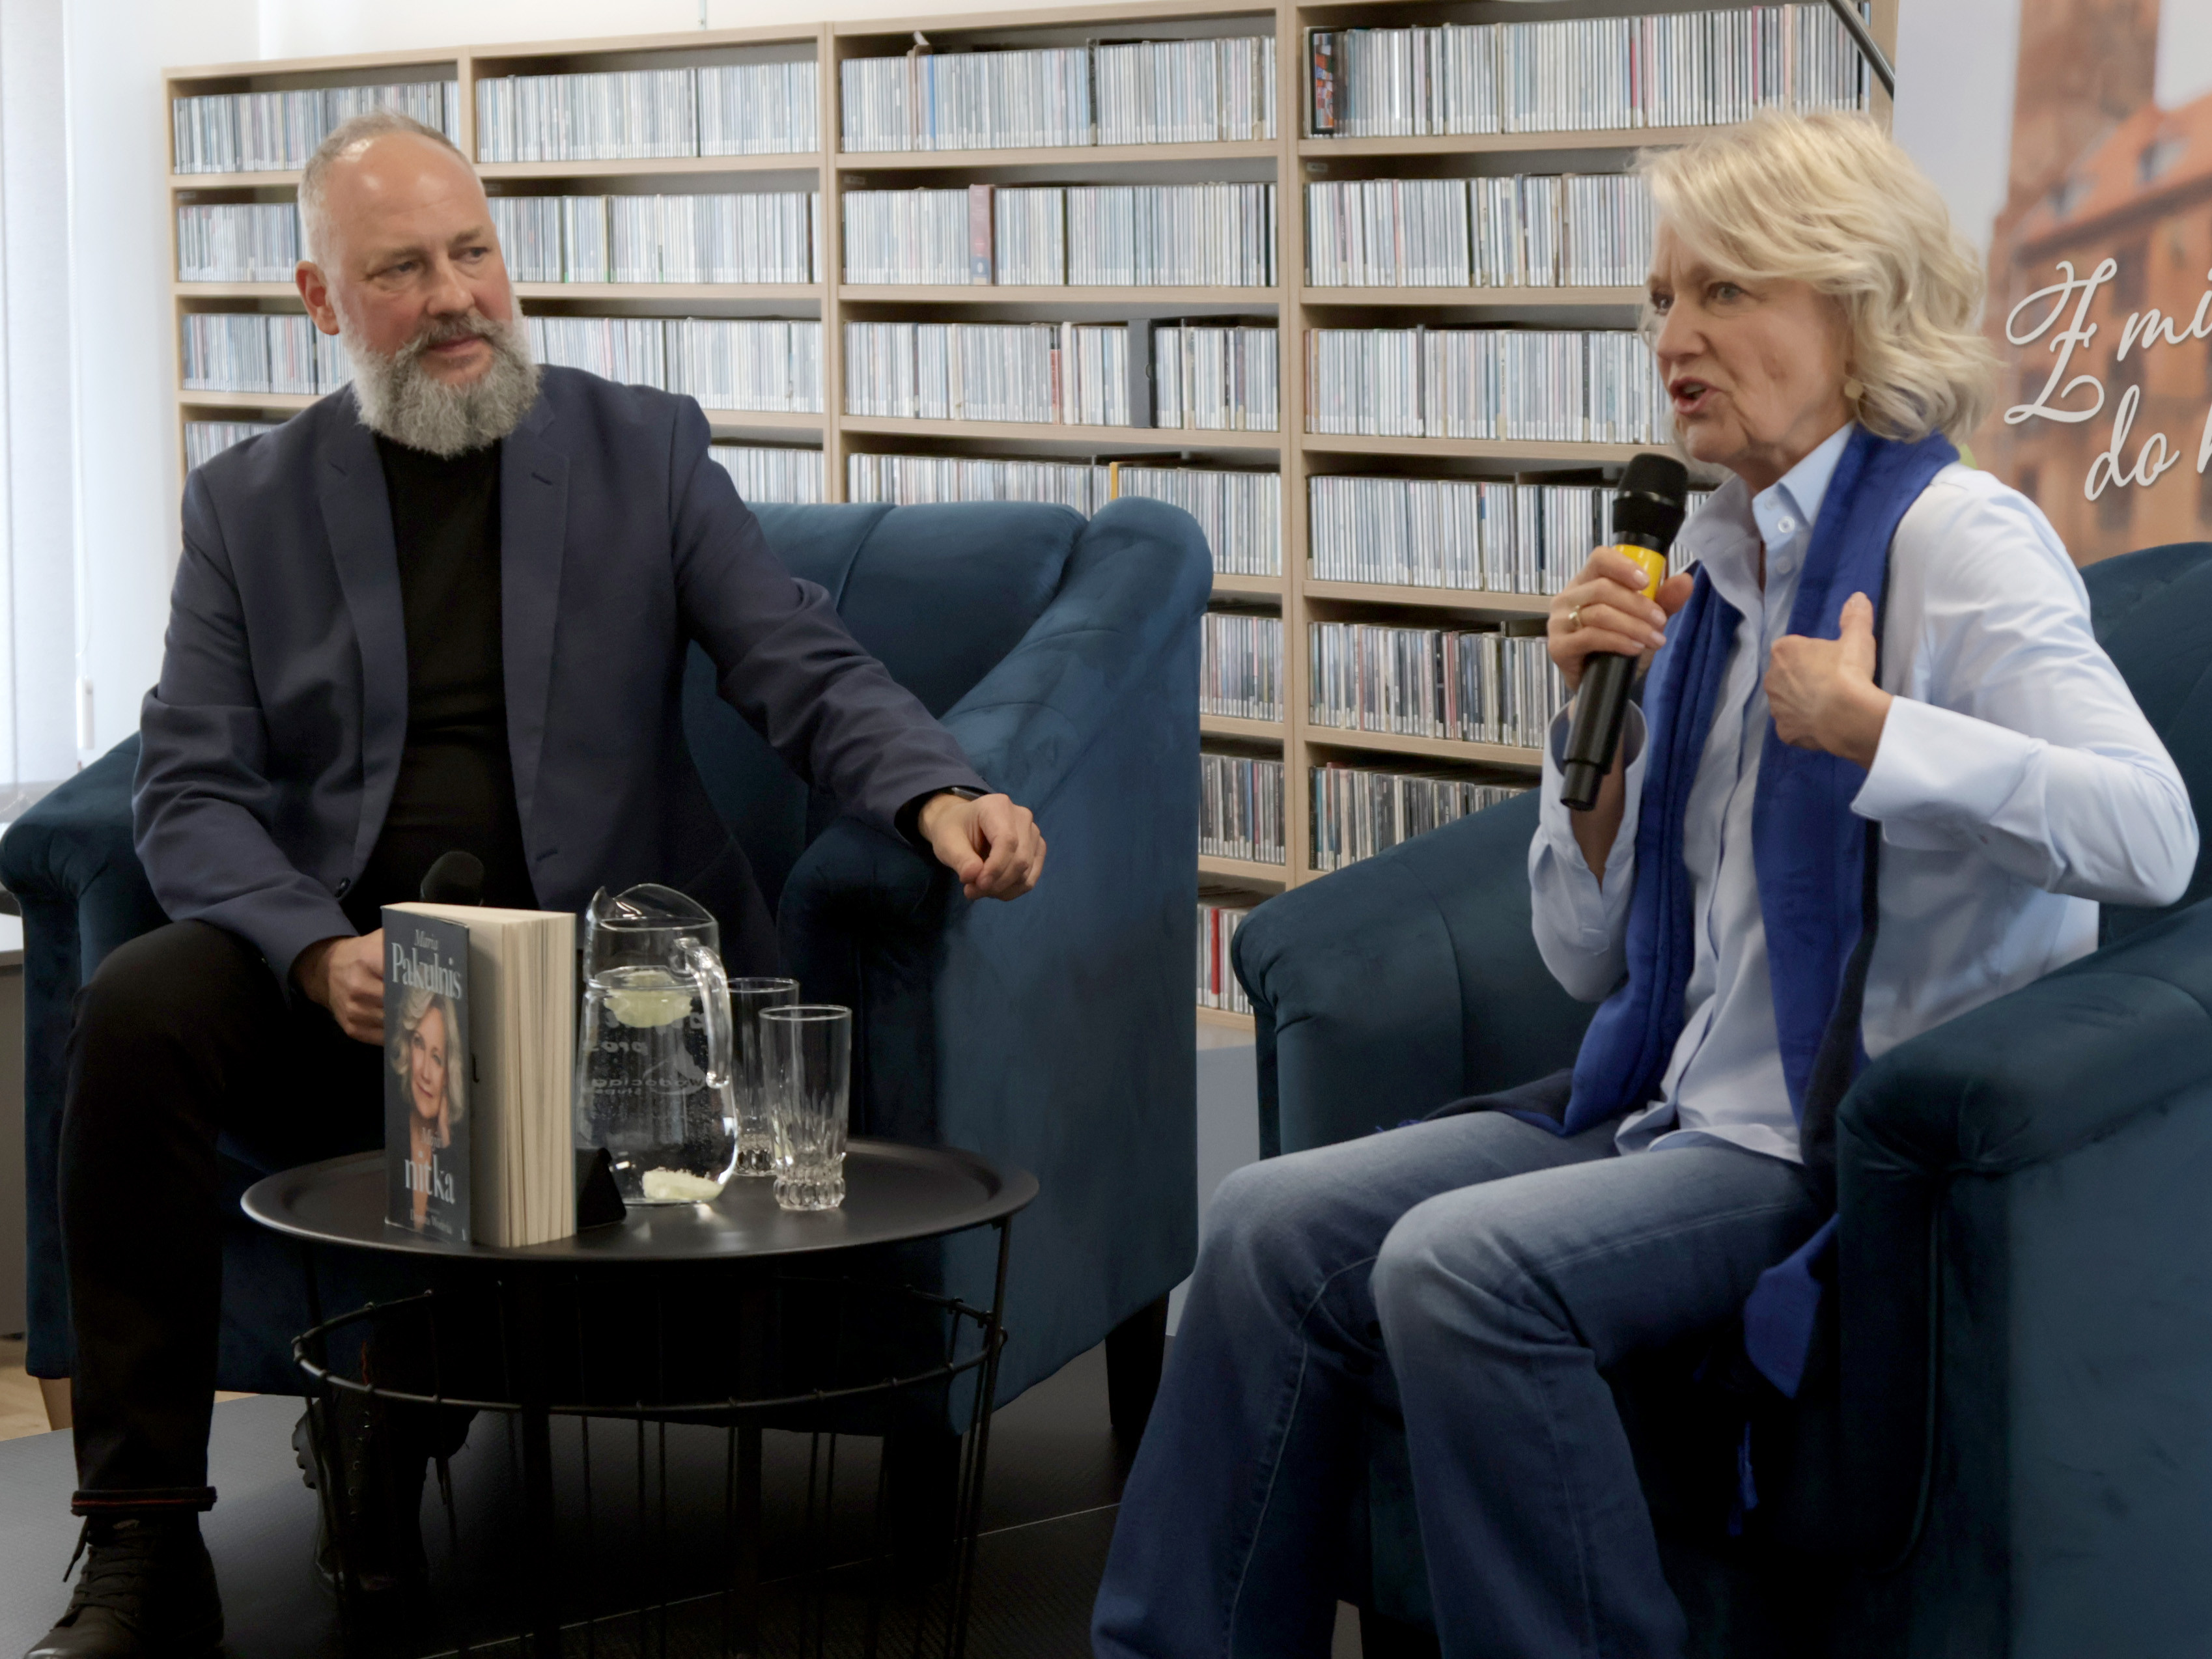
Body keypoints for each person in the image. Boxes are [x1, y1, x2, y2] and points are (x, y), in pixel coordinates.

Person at [1091, 109, 2198, 1659]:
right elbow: (1579, 957)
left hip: (1817, 1141)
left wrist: (1878, 732)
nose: (1673, 336)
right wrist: (1590, 754)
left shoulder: (1958, 540)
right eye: (1662, 296)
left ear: (1854, 307)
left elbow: (2152, 835)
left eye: (1724, 290)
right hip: (1662, 1095)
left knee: (1457, 1272)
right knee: (1266, 1219)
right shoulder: (1707, 562)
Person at [31, 111, 1046, 1659]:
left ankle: (385, 1413)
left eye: (473, 252)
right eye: (401, 270)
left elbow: (797, 660)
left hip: (599, 982)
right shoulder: (247, 506)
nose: (455, 296)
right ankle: (143, 1541)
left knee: (556, 1091)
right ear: (320, 299)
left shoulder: (643, 449)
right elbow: (188, 792)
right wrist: (311, 952)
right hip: (351, 976)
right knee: (138, 1007)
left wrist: (938, 791)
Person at [388, 986, 460, 1235]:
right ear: (407, 1045)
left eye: (437, 1058)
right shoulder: (390, 1134)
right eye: (419, 1043)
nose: (425, 1073)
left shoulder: (459, 1153)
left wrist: (446, 1144)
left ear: (449, 1073)